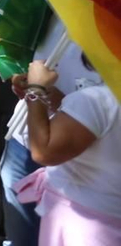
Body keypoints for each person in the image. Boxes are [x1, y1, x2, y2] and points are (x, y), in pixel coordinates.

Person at [18, 57, 121, 245]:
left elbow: (43, 151)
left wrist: (36, 90)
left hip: (83, 226)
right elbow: (88, 128)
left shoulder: (98, 100)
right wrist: (54, 98)